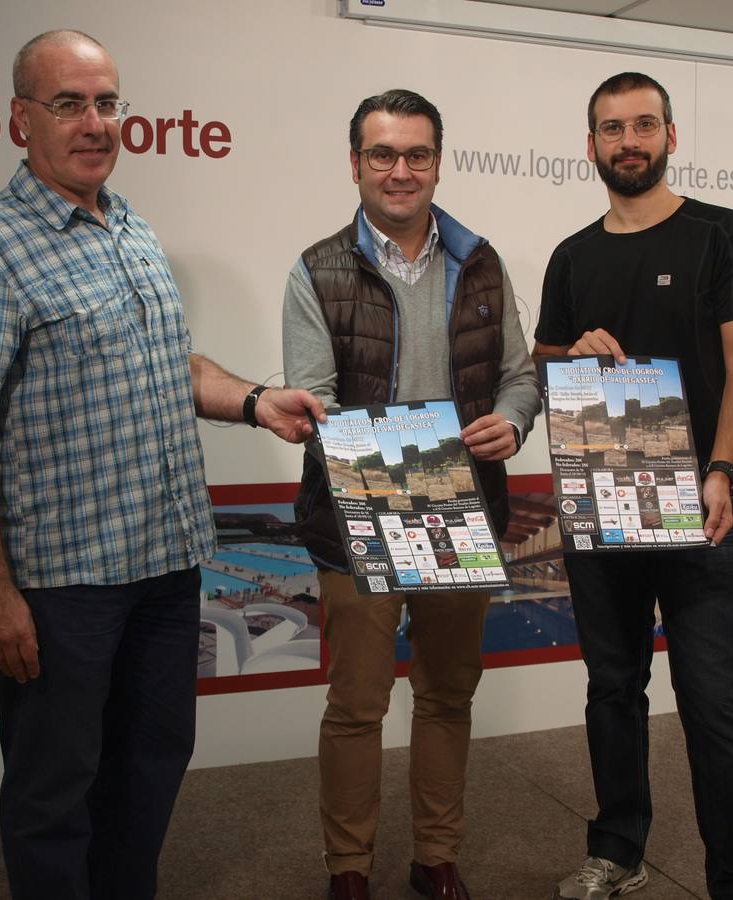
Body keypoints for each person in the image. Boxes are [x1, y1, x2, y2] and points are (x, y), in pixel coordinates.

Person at [0, 30, 323, 900]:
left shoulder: (129, 226)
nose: (94, 122)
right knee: (54, 791)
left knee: (148, 770)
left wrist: (257, 400)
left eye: (106, 102)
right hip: (65, 583)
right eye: (68, 102)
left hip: (166, 565)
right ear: (19, 118)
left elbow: (165, 366)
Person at [282, 89, 541, 900]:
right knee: (357, 706)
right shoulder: (316, 269)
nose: (401, 171)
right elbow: (312, 399)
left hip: (462, 515)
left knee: (446, 698)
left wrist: (512, 421)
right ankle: (349, 871)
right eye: (383, 155)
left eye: (417, 154)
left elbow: (519, 377)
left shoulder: (482, 260)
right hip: (357, 514)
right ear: (355, 163)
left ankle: (436, 859)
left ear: (437, 159)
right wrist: (386, 472)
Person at [533, 72, 733, 900]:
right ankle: (618, 849)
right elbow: (541, 367)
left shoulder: (722, 236)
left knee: (716, 703)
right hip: (599, 501)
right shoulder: (572, 256)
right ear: (591, 145)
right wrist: (566, 358)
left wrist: (723, 467)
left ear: (671, 136)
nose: (627, 141)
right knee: (613, 689)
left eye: (643, 125)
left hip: (698, 503)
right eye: (611, 128)